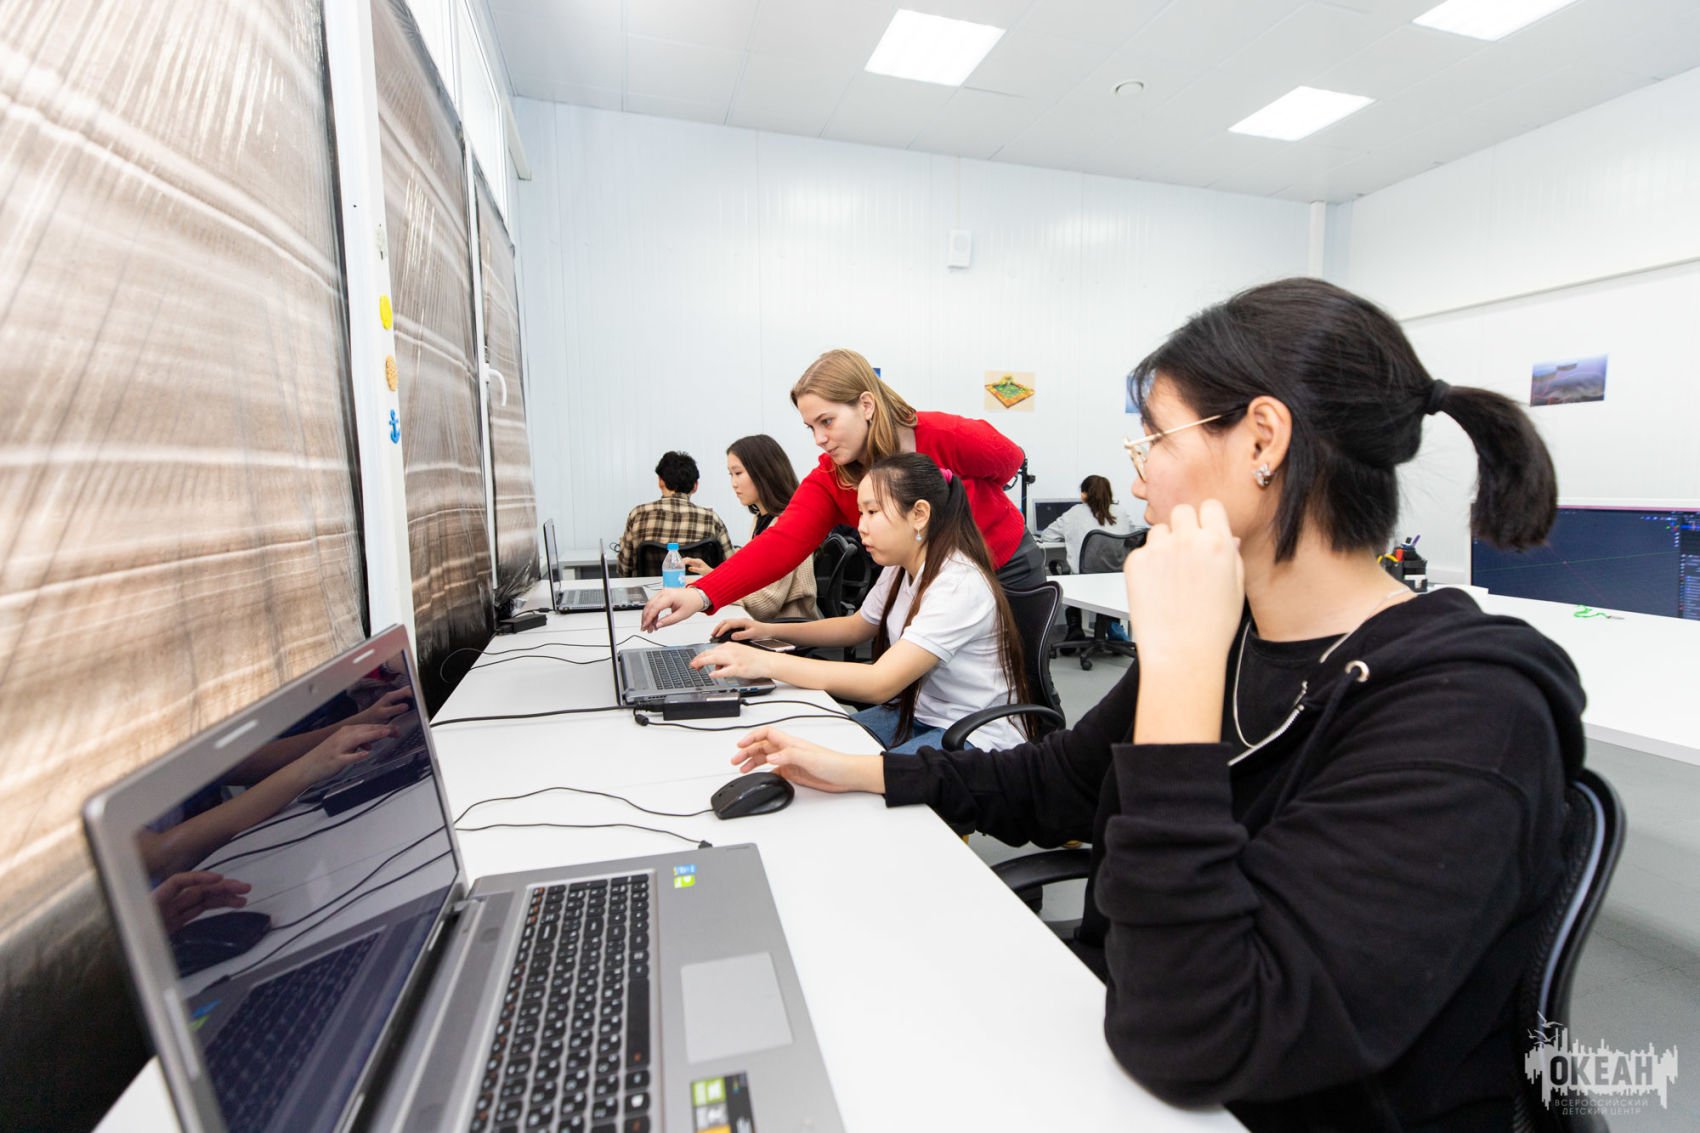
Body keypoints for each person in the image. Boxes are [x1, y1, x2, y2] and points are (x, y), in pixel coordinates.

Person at [724, 278, 1583, 1132]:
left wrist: (1178, 666)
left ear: (1263, 440)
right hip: (1122, 1028)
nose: (1140, 485)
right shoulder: (1235, 635)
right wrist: (866, 771)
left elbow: (1200, 1032)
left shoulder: (1471, 710)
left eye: (1155, 441)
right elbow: (1058, 781)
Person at [641, 349, 1043, 629]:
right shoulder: (832, 478)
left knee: (1021, 678)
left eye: (827, 421)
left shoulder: (942, 434)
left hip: (1003, 564)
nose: (819, 438)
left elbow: (1008, 460)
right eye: (811, 427)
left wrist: (969, 502)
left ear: (866, 405)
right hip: (930, 581)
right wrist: (703, 594)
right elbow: (781, 542)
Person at [692, 453, 1033, 752]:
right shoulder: (901, 566)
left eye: (872, 512)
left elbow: (879, 682)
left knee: (834, 771)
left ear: (919, 514)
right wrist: (766, 630)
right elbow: (857, 626)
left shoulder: (957, 583)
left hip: (974, 734)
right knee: (804, 746)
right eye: (860, 512)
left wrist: (765, 663)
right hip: (918, 715)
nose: (861, 526)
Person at [682, 434, 818, 621]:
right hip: (766, 624)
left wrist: (706, 593)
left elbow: (765, 603)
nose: (733, 483)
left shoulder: (786, 525)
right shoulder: (760, 519)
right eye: (731, 475)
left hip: (786, 628)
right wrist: (712, 576)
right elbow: (755, 579)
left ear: (764, 473)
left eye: (738, 473)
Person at [615, 450, 734, 576]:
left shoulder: (638, 515)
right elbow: (731, 570)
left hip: (650, 589)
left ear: (661, 481)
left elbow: (624, 570)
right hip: (696, 588)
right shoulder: (711, 519)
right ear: (695, 486)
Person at [1040, 474, 1139, 574]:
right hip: (1118, 575)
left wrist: (1068, 536)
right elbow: (1134, 537)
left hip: (1084, 578)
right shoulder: (1121, 512)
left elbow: (1046, 535)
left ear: (1084, 494)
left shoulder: (1074, 513)